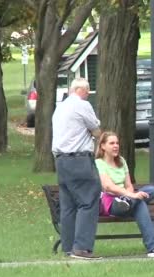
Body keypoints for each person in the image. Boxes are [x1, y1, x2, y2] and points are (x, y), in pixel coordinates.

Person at [95, 131, 154, 258]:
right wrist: (132, 196)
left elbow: (129, 184)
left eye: (117, 143)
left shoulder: (121, 161)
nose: (116, 146)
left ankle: (128, 203)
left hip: (127, 199)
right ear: (102, 146)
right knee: (139, 203)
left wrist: (130, 195)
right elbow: (108, 186)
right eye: (111, 143)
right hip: (112, 203)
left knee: (152, 190)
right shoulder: (98, 163)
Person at [52, 77, 102, 260]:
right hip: (79, 159)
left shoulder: (60, 107)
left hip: (61, 161)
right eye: (88, 93)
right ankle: (81, 247)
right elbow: (96, 129)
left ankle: (68, 246)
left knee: (68, 205)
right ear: (83, 90)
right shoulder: (82, 105)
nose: (88, 96)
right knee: (88, 200)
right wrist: (92, 133)